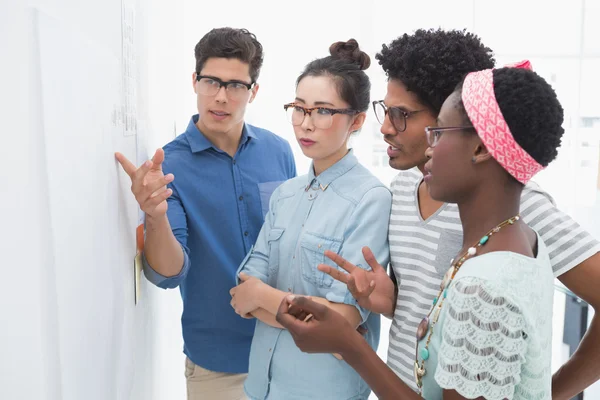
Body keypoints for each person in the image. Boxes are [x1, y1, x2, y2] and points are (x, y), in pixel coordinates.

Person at [299, 29, 600, 399]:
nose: (386, 127)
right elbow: (440, 321)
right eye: (385, 109)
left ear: (455, 120)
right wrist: (391, 300)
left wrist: (549, 393)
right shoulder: (404, 187)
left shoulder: (519, 206)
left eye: (402, 115)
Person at [115, 27, 296, 400]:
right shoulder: (169, 165)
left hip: (289, 352)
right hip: (218, 368)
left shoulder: (279, 152)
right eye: (211, 81)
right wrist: (154, 214)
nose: (221, 96)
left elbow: (291, 245)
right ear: (195, 81)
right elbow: (168, 273)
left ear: (254, 92)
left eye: (236, 86)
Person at [228, 39, 391, 400]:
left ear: (357, 120)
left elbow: (343, 322)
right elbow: (242, 293)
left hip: (323, 390)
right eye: (299, 108)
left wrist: (263, 297)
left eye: (322, 111)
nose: (305, 124)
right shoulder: (285, 194)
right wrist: (287, 307)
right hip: (262, 387)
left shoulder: (371, 199)